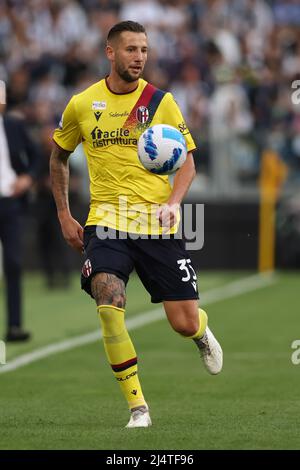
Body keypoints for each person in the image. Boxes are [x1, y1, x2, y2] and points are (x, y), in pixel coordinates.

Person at [50, 21, 223, 428]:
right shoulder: (82, 103)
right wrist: (63, 213)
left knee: (182, 322)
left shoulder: (160, 101)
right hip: (105, 222)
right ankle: (138, 407)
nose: (139, 57)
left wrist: (175, 203)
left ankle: (200, 331)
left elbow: (188, 163)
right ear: (110, 53)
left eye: (144, 49)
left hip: (157, 223)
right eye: (130, 49)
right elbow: (58, 157)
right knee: (108, 302)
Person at [0, 81, 39, 342]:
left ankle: (14, 326)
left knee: (13, 264)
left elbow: (36, 155)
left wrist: (28, 178)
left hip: (9, 202)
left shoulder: (13, 126)